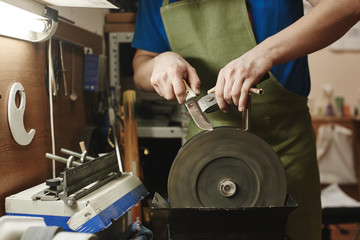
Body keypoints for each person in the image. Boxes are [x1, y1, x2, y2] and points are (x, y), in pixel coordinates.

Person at [131, 0, 360, 239]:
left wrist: (265, 53)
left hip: (285, 149)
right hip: (202, 157)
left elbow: (349, 5)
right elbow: (141, 64)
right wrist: (160, 62)